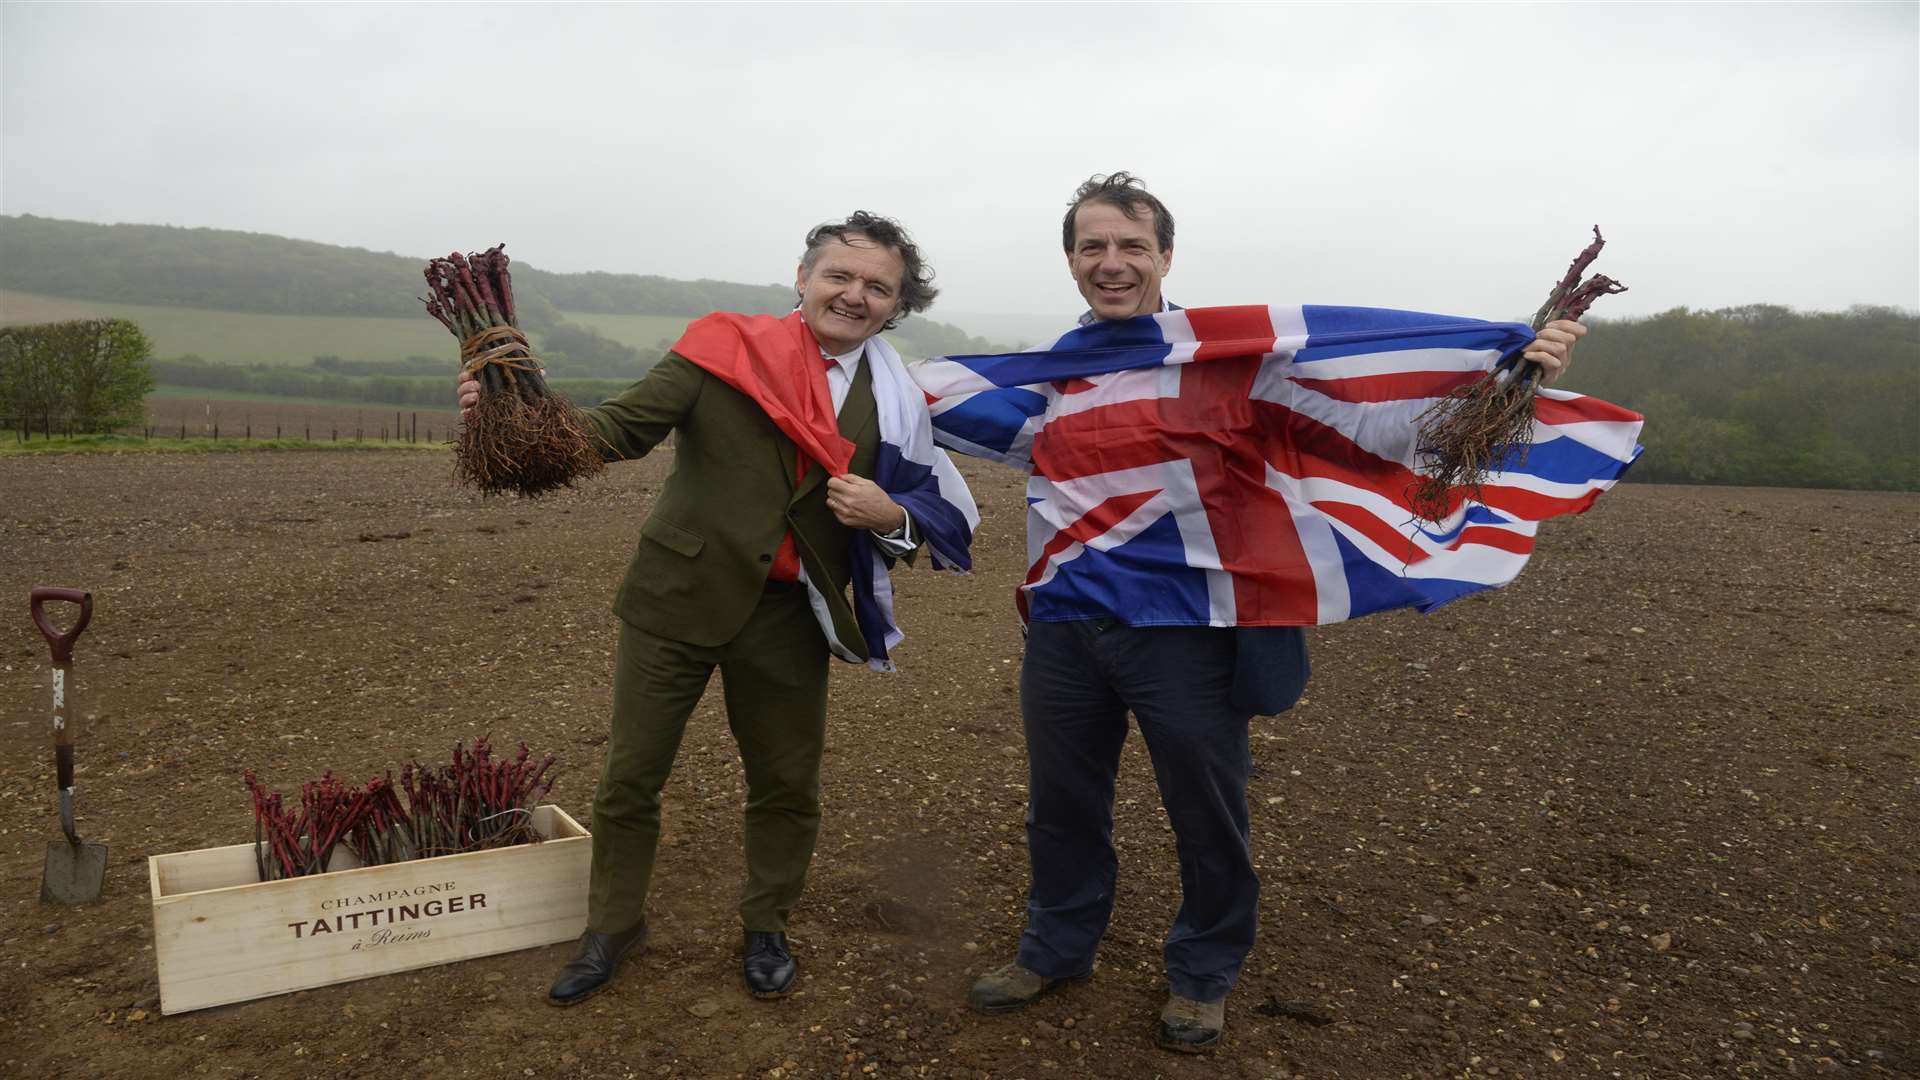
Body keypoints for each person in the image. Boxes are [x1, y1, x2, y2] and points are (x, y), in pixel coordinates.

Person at [959, 173, 1585, 1052]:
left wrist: (1511, 368)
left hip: (1191, 632)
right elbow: (937, 419)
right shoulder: (1056, 374)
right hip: (1065, 626)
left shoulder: (1227, 360)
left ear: (1165, 257)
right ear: (1070, 260)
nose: (1112, 263)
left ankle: (1204, 972)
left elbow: (1390, 425)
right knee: (1061, 805)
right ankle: (1055, 949)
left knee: (1208, 812)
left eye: (1132, 246)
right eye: (1093, 247)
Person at [456, 212, 975, 1007]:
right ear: (802, 279)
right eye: (840, 275)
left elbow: (931, 507)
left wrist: (889, 515)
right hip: (678, 596)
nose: (854, 294)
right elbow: (616, 430)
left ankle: (766, 922)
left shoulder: (905, 398)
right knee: (630, 779)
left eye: (879, 287)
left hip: (794, 613)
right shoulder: (721, 349)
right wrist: (515, 419)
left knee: (784, 784)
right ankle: (612, 925)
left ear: (896, 308)